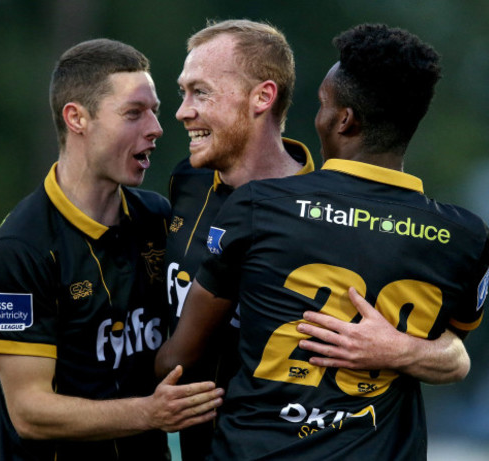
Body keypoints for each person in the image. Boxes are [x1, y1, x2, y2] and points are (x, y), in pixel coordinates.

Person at [157, 23, 489, 460]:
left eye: (321, 104)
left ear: (343, 120)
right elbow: (457, 354)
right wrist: (404, 350)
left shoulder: (259, 207)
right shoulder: (465, 237)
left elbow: (178, 357)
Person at [0, 38, 223, 461]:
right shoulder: (20, 248)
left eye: (155, 111)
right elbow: (29, 412)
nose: (156, 128)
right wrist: (149, 413)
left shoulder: (158, 219)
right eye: (133, 113)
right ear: (77, 118)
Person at [164, 19, 314, 460]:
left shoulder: (324, 214)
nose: (182, 111)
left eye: (201, 92)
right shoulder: (186, 181)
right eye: (183, 92)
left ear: (262, 97)